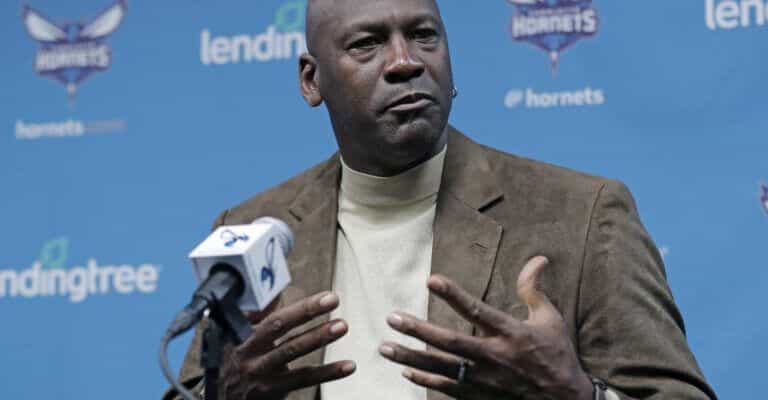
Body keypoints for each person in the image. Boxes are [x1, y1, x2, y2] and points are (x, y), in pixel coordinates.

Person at [167, 0, 717, 399]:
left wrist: (577, 393)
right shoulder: (254, 228)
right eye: (367, 44)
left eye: (423, 35)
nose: (404, 61)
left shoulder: (584, 213)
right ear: (312, 80)